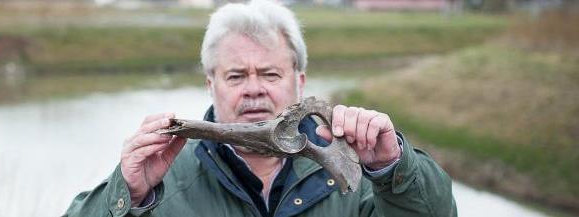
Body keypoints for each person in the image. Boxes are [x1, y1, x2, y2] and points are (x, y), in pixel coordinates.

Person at [63, 1, 456, 216]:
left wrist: (393, 168)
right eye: (235, 76)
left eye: (270, 74)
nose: (254, 90)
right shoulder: (161, 181)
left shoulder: (353, 171)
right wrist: (126, 194)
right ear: (210, 84)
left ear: (299, 81)